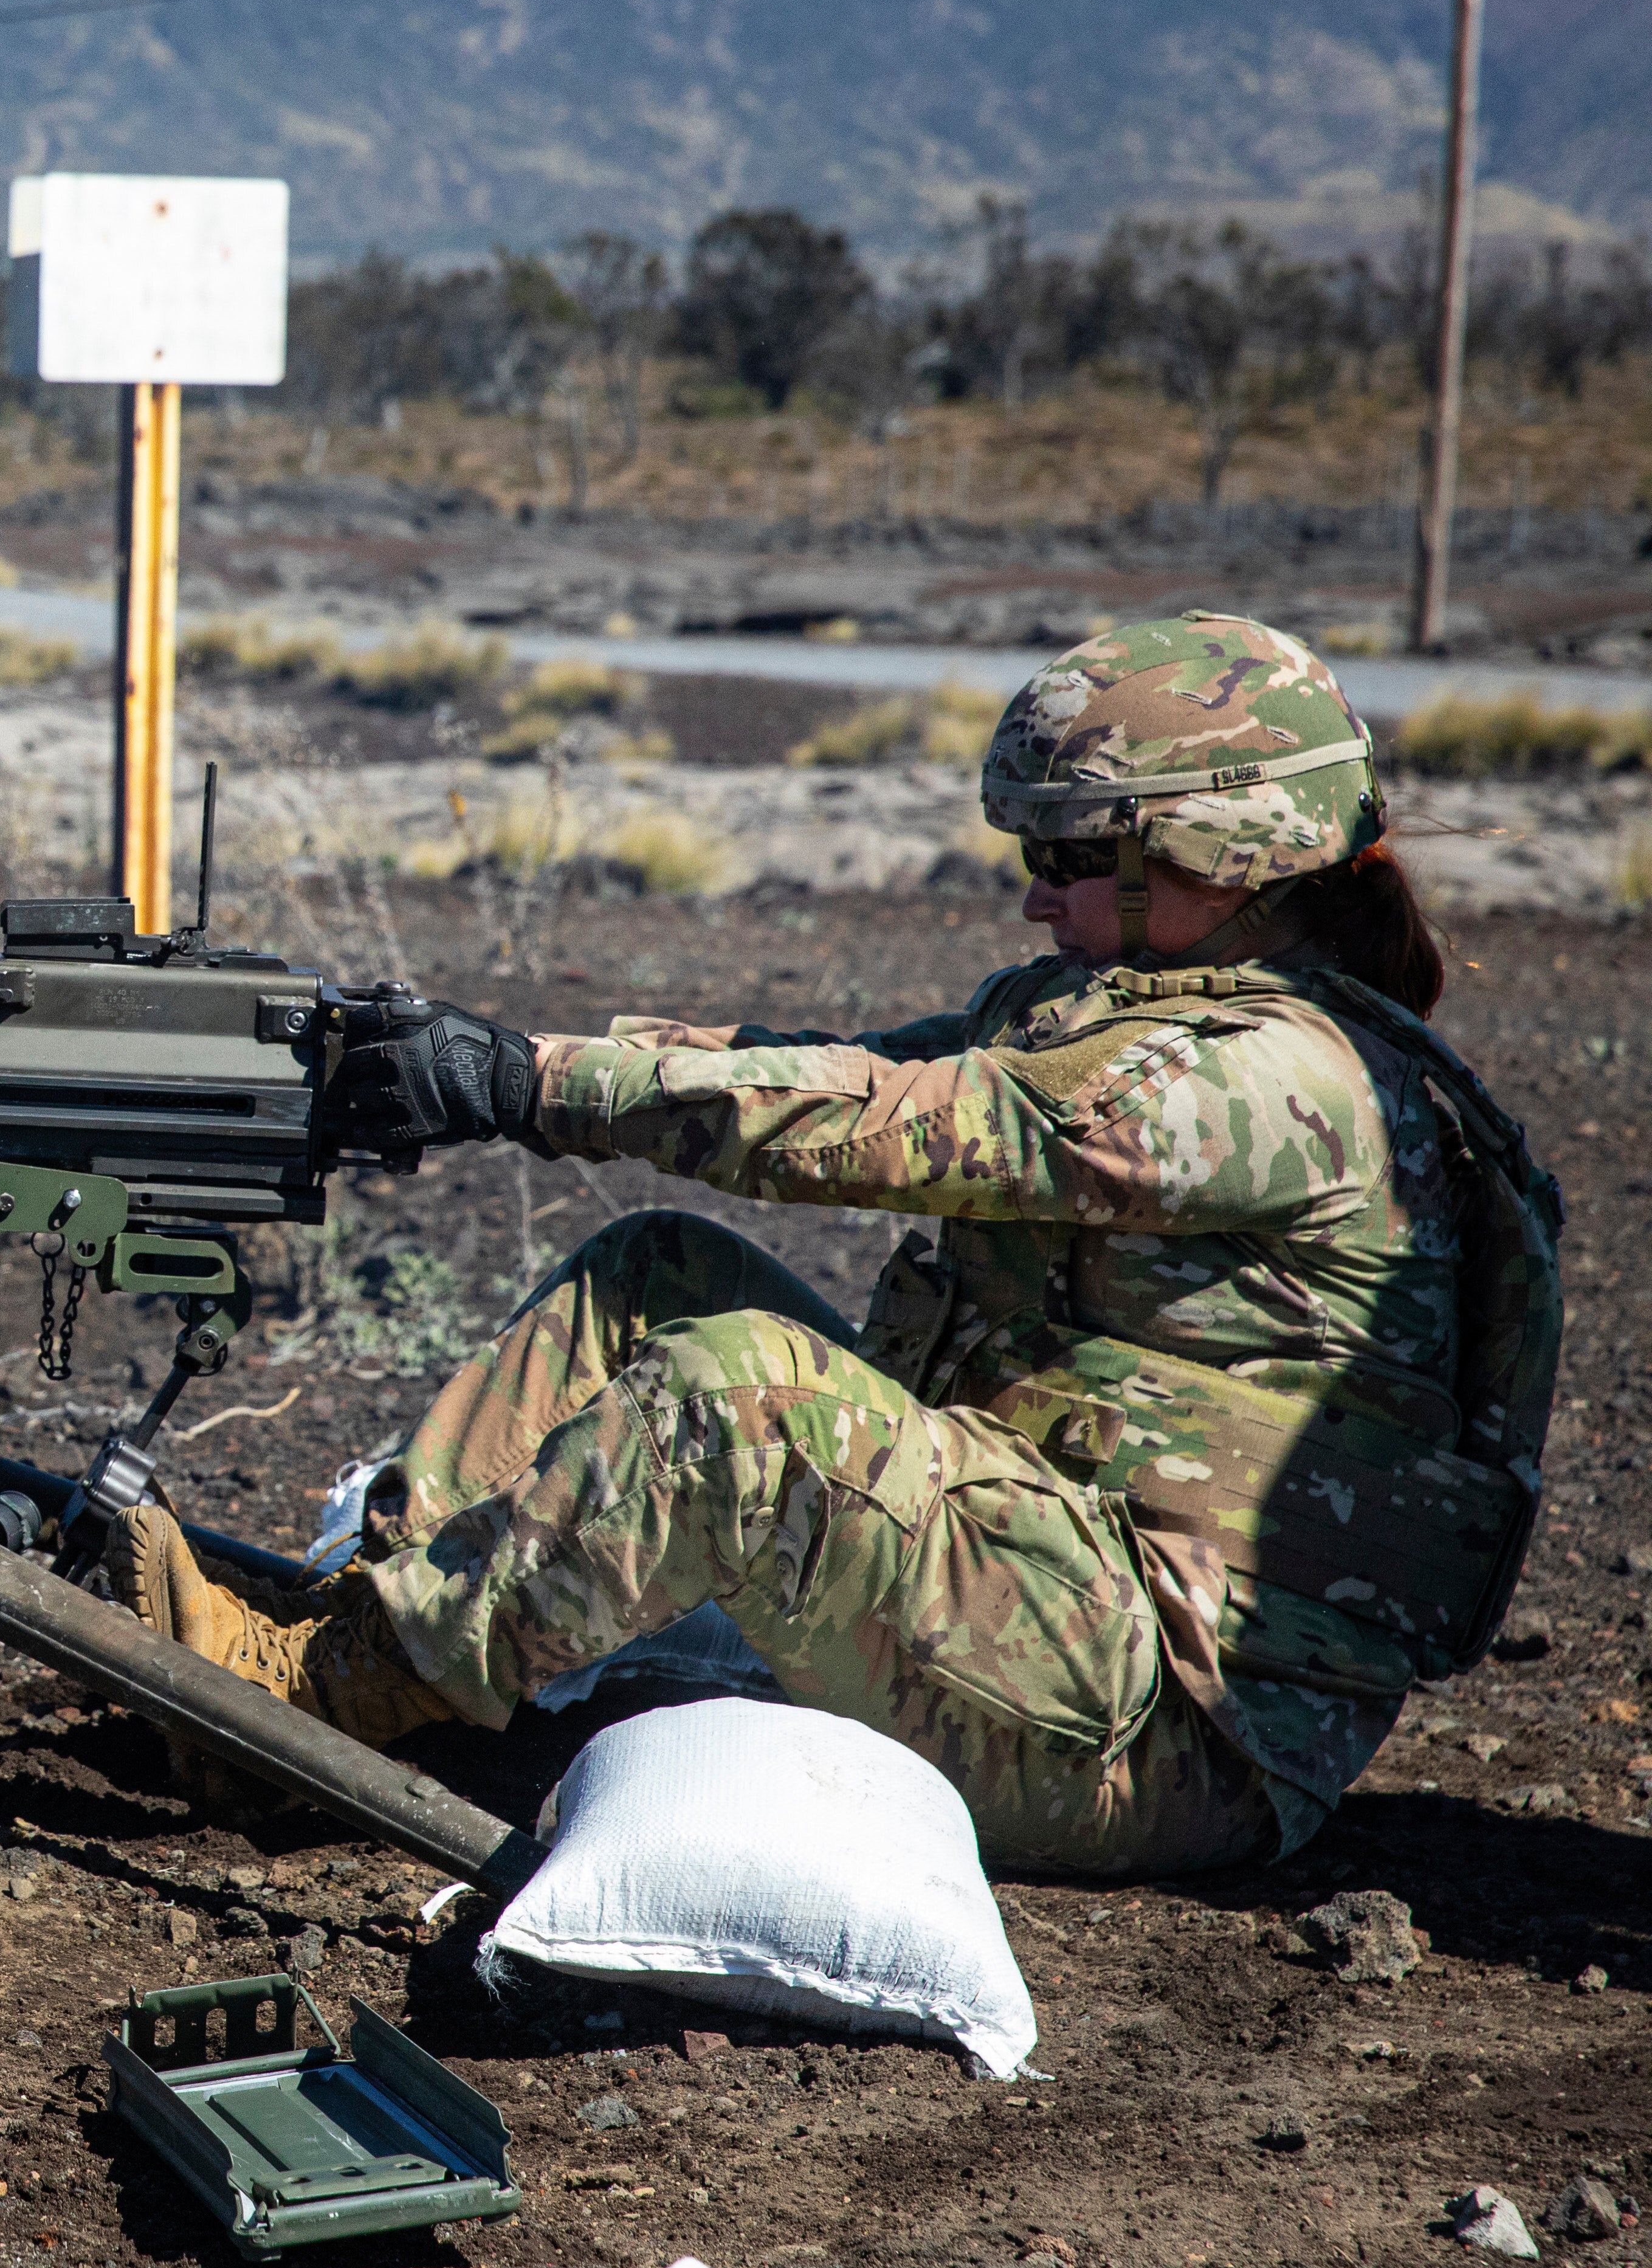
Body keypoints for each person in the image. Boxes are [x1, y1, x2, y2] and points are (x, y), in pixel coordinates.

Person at [113, 612, 1565, 1875]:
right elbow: (822, 1065)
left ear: (1220, 850)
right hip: (1051, 1606)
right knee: (657, 1273)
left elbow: (910, 1125)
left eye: (1071, 851)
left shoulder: (1287, 1082)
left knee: (743, 1402)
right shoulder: (1146, 1016)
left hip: (1168, 1730)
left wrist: (530, 1086)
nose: (1034, 890)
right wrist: (512, 1060)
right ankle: (380, 1634)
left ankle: (298, 1702)